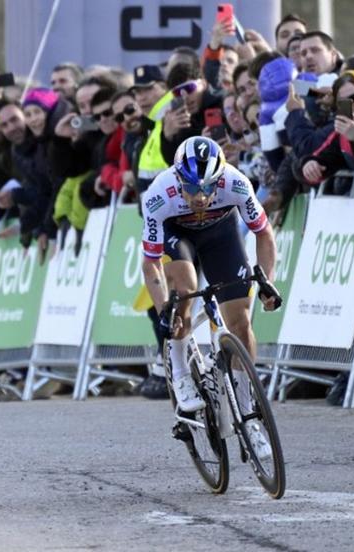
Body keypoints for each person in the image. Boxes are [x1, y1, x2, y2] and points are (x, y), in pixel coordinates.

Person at [140, 136, 279, 458]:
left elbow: (263, 233)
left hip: (221, 235)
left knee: (241, 324)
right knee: (184, 291)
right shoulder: (160, 195)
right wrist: (165, 310)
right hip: (178, 236)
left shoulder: (236, 183)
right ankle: (181, 373)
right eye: (192, 188)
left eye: (208, 187)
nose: (201, 196)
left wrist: (268, 282)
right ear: (178, 179)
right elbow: (150, 264)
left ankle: (249, 416)